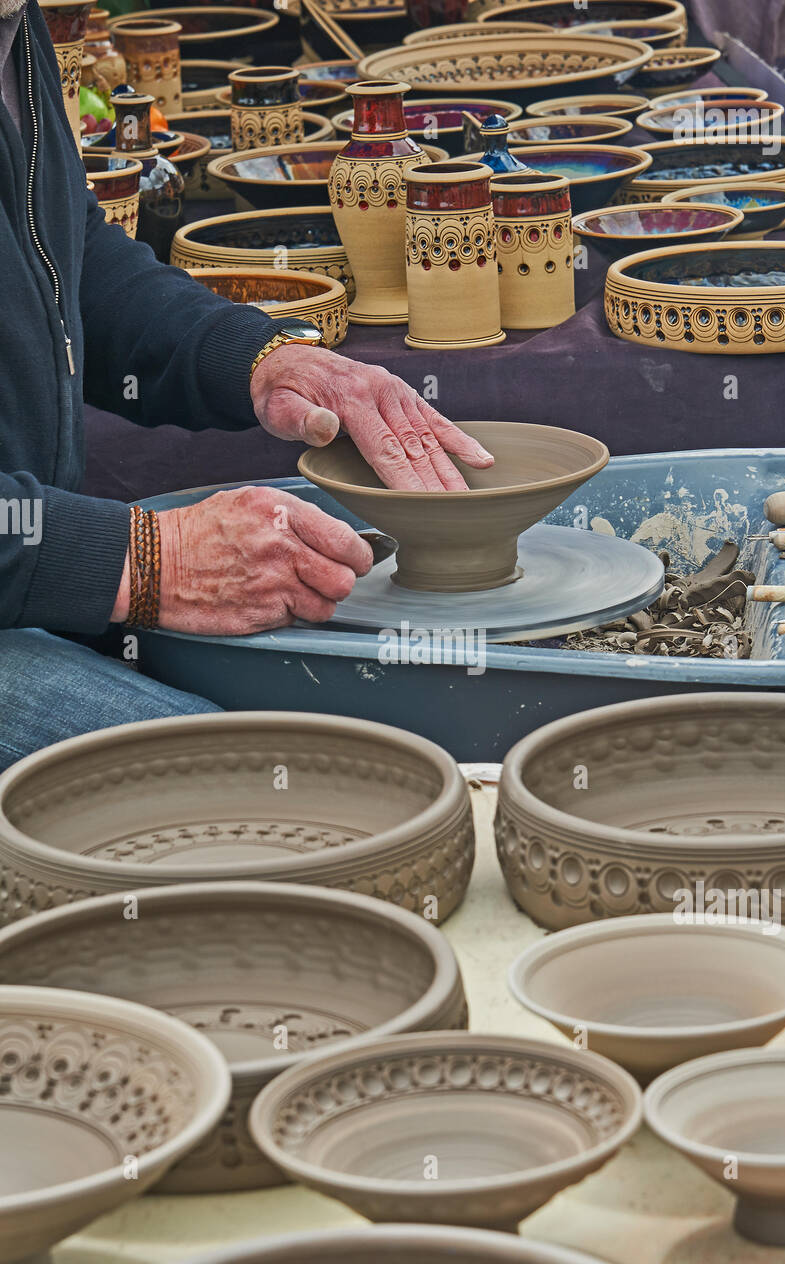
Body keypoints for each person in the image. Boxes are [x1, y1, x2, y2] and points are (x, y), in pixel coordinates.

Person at [0, 0, 495, 772]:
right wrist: (136, 558)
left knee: (372, 723)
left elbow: (67, 257)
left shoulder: (17, 32)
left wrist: (256, 357)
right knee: (280, 781)